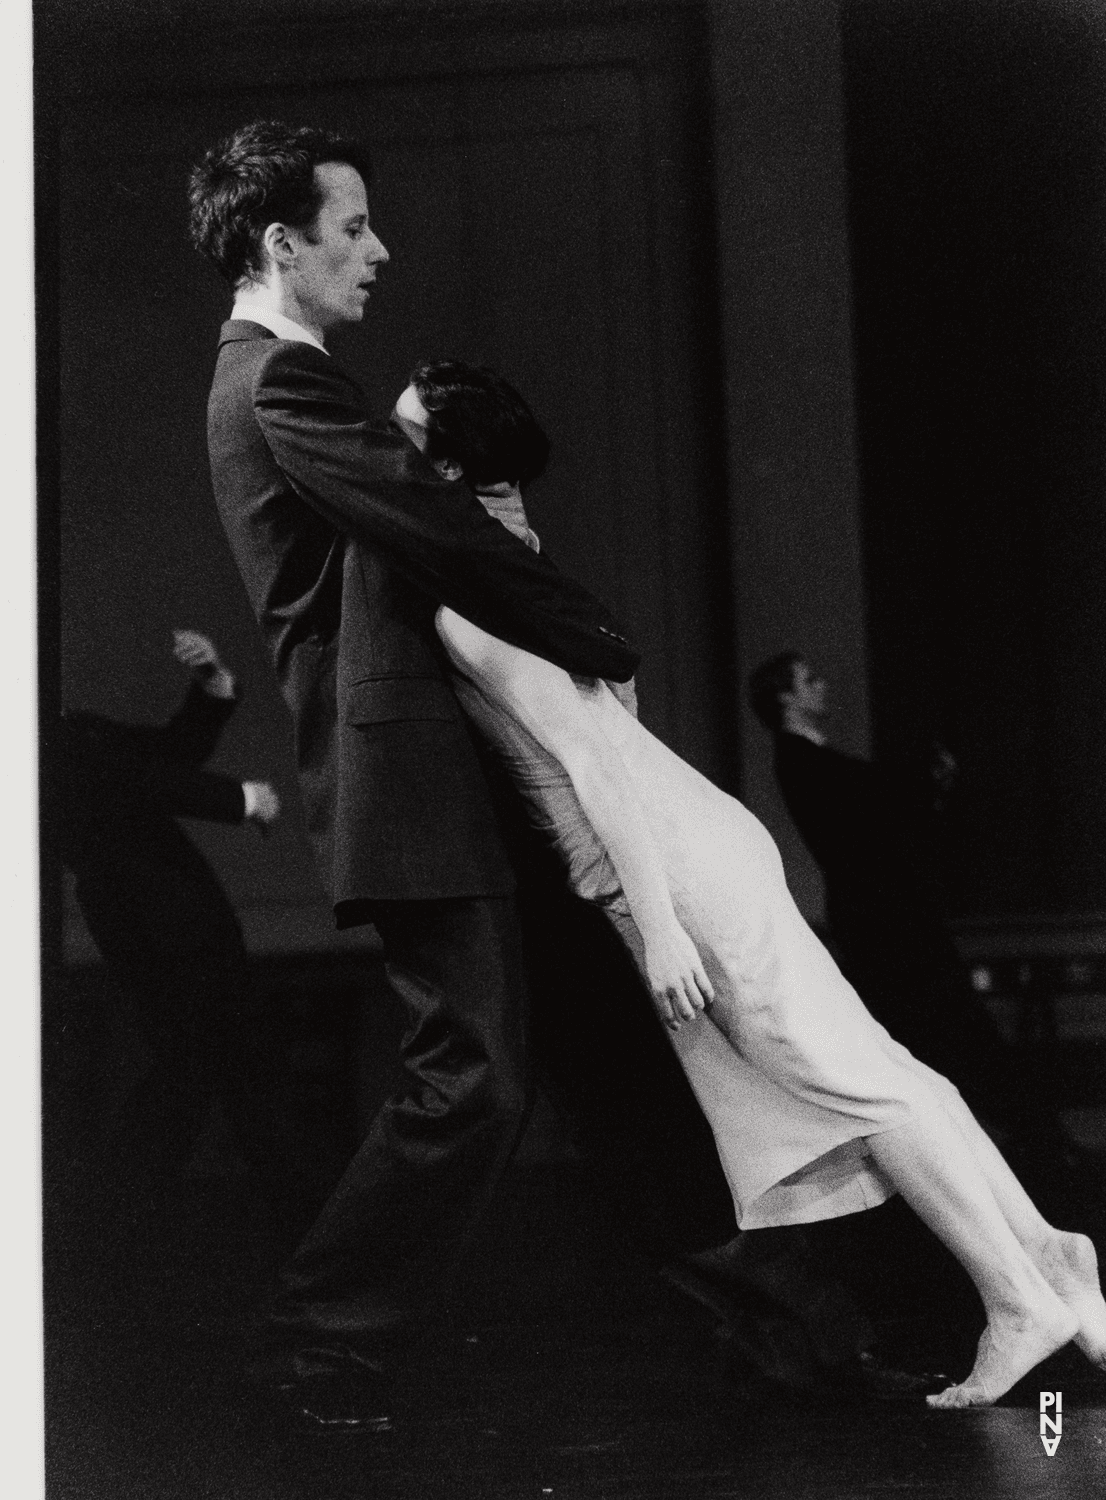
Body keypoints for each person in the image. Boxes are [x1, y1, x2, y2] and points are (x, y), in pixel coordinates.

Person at [392, 359, 1106, 1409]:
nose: (379, 445)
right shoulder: (517, 555)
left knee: (852, 1082)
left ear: (444, 465)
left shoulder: (472, 591)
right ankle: (1052, 1263)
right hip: (695, 841)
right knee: (881, 1068)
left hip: (669, 865)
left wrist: (661, 925)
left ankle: (1016, 1299)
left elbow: (591, 760)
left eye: (399, 435)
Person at [188, 120, 639, 1430]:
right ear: (283, 243)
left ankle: (795, 1334)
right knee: (477, 1076)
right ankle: (317, 1341)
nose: (377, 251)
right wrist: (594, 634)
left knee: (589, 1054)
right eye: (352, 228)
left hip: (436, 778)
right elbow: (435, 524)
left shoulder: (280, 378)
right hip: (406, 788)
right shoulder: (280, 384)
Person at [746, 653, 1045, 1136]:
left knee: (939, 1040)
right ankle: (1032, 1147)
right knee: (947, 1038)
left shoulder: (810, 759)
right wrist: (927, 776)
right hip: (887, 925)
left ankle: (1020, 1144)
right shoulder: (801, 758)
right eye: (810, 679)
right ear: (785, 697)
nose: (823, 685)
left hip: (886, 921)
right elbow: (874, 796)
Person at [58, 629, 282, 1179]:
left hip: (167, 914)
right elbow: (139, 781)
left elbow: (165, 755)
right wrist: (242, 801)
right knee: (206, 1066)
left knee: (206, 1066)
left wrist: (209, 683)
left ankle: (122, 1210)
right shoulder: (37, 736)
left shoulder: (68, 730)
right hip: (152, 918)